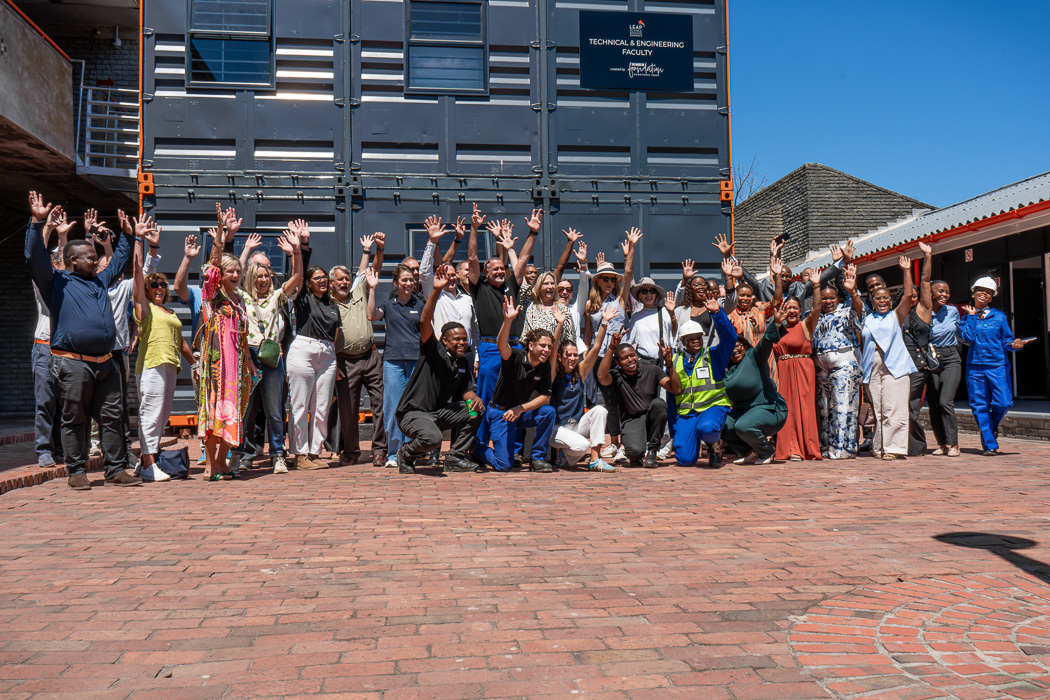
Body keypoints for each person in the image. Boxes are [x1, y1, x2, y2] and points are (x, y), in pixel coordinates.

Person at [25, 192, 143, 489]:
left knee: (112, 417)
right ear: (73, 261)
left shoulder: (101, 281)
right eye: (90, 258)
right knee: (74, 417)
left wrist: (127, 235)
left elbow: (119, 261)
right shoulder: (57, 283)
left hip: (107, 363)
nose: (95, 261)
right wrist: (37, 222)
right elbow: (33, 256)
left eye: (95, 257)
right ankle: (76, 470)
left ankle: (115, 469)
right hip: (73, 363)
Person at [395, 265, 484, 474]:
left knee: (476, 409)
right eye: (456, 340)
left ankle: (456, 456)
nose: (462, 343)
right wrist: (436, 290)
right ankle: (406, 453)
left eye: (465, 339)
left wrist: (473, 399)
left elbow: (467, 391)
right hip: (413, 415)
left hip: (438, 414)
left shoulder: (462, 362)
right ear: (444, 341)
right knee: (433, 438)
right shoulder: (433, 351)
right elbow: (425, 320)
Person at [228, 228, 303, 474]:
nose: (263, 280)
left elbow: (298, 277)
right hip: (248, 356)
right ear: (251, 277)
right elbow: (232, 274)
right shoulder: (241, 298)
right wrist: (246, 250)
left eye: (266, 276)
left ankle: (278, 455)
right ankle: (238, 455)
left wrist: (296, 251)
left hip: (272, 357)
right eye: (259, 276)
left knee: (274, 410)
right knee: (245, 410)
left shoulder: (277, 297)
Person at [131, 221, 196, 480]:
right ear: (146, 290)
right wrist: (142, 242)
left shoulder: (169, 312)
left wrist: (196, 362)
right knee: (150, 415)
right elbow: (137, 272)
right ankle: (149, 466)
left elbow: (180, 342)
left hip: (170, 365)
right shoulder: (143, 309)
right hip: (151, 365)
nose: (158, 288)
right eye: (153, 285)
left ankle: (144, 463)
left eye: (161, 284)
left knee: (161, 418)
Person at [196, 209, 255, 480]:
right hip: (217, 365)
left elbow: (242, 335)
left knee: (234, 413)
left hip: (238, 366)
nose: (234, 274)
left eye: (238, 271)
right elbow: (212, 267)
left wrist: (250, 363)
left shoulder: (239, 300)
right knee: (212, 412)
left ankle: (222, 462)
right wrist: (220, 231)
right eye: (229, 271)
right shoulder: (213, 297)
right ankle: (210, 465)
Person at [475, 296, 556, 473]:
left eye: (549, 347)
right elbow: (501, 345)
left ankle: (537, 458)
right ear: (531, 345)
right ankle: (477, 448)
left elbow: (545, 397)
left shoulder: (544, 366)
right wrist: (508, 320)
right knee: (504, 465)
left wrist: (520, 408)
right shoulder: (517, 356)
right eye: (542, 346)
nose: (546, 350)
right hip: (501, 412)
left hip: (518, 412)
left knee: (548, 412)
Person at [331, 234, 387, 467]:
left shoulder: (358, 292)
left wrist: (378, 249)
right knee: (348, 410)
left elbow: (371, 271)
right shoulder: (328, 304)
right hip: (345, 362)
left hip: (371, 356)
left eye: (346, 279)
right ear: (331, 283)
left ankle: (379, 450)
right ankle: (351, 451)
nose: (344, 283)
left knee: (380, 405)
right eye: (339, 280)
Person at [960, 276, 1032, 456]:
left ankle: (990, 426)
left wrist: (1015, 345)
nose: (983, 294)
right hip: (975, 366)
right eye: (980, 291)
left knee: (1004, 402)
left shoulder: (999, 317)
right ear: (974, 293)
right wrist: (971, 317)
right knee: (979, 405)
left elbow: (1006, 340)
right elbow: (967, 338)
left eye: (988, 292)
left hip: (997, 365)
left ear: (992, 298)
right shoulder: (966, 316)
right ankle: (990, 444)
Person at [585, 231, 641, 463]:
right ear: (597, 281)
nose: (610, 282)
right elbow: (588, 334)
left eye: (612, 279)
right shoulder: (590, 305)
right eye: (605, 278)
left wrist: (632, 248)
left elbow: (627, 274)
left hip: (620, 354)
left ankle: (629, 442)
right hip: (601, 356)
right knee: (607, 400)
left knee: (624, 397)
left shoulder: (620, 300)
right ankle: (614, 442)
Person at [32, 206, 77, 468]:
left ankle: (61, 448)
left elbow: (69, 262)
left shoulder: (69, 285)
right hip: (44, 346)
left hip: (65, 349)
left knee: (68, 402)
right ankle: (44, 450)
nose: (57, 266)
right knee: (45, 401)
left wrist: (63, 238)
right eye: (53, 263)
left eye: (59, 262)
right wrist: (45, 227)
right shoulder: (42, 283)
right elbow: (36, 255)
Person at [287, 246, 340, 470]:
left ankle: (315, 453)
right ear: (308, 283)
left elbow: (336, 333)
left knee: (321, 407)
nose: (322, 281)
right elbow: (298, 273)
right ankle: (300, 454)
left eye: (324, 278)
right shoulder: (302, 299)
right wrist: (302, 249)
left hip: (327, 354)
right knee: (299, 405)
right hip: (303, 349)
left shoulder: (332, 304)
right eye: (317, 278)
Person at [368, 261, 425, 467]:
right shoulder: (388, 304)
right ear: (396, 283)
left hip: (415, 361)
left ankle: (409, 452)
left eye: (411, 280)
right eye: (404, 280)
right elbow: (371, 315)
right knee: (393, 407)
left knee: (413, 408)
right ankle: (393, 454)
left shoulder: (419, 305)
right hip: (393, 362)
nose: (408, 283)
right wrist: (372, 289)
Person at [860, 256, 917, 460]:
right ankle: (880, 447)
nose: (882, 301)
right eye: (878, 298)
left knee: (893, 408)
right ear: (872, 301)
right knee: (878, 409)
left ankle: (893, 449)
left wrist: (906, 271)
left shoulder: (896, 316)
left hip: (894, 365)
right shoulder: (866, 318)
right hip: (872, 367)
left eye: (885, 298)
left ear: (890, 300)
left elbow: (908, 295)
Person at [668, 300, 736, 468]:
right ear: (683, 342)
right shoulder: (674, 361)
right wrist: (673, 427)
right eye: (691, 339)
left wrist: (717, 314)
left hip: (712, 407)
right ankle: (694, 440)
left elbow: (730, 338)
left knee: (707, 428)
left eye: (699, 338)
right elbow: (671, 397)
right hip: (686, 414)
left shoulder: (713, 356)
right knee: (685, 460)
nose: (696, 341)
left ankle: (714, 445)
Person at [549, 304, 617, 471]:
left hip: (577, 426)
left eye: (575, 355)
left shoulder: (579, 372)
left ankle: (594, 459)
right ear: (560, 357)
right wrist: (559, 324)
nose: (572, 358)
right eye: (568, 355)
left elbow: (595, 348)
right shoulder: (552, 373)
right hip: (557, 428)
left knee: (600, 410)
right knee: (580, 446)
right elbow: (553, 349)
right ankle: (564, 455)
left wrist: (604, 323)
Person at [597, 327, 675, 468]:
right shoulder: (616, 375)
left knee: (659, 404)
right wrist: (611, 347)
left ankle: (652, 451)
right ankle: (637, 454)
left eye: (632, 355)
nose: (630, 360)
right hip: (631, 420)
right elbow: (601, 377)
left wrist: (669, 364)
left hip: (651, 418)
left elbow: (676, 388)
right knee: (634, 453)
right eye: (624, 358)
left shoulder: (652, 370)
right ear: (618, 363)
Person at [812, 264, 865, 459]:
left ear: (838, 299)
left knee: (842, 407)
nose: (828, 302)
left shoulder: (846, 311)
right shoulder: (815, 315)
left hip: (843, 362)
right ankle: (827, 447)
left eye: (831, 298)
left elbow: (860, 312)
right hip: (821, 367)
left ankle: (843, 449)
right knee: (825, 410)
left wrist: (853, 292)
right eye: (824, 298)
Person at [722, 315, 787, 465]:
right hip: (743, 412)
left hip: (769, 409)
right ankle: (749, 451)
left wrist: (776, 323)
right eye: (730, 348)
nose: (734, 350)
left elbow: (765, 343)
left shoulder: (754, 357)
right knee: (720, 423)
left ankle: (767, 451)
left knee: (743, 425)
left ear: (744, 346)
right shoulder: (727, 370)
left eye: (737, 346)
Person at [772, 281, 822, 461]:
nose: (791, 311)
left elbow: (817, 308)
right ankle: (789, 448)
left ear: (801, 310)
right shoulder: (777, 329)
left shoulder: (806, 326)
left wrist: (816, 286)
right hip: (783, 372)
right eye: (788, 308)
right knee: (787, 409)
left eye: (795, 308)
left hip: (802, 370)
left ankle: (805, 448)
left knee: (805, 409)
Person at [902, 243, 935, 456]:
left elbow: (924, 281)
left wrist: (927, 256)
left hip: (917, 365)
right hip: (900, 365)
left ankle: (916, 445)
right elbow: (906, 293)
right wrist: (905, 271)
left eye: (915, 296)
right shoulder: (900, 314)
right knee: (902, 407)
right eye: (909, 296)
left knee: (910, 407)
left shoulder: (924, 310)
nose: (913, 298)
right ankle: (907, 444)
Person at [927, 275, 962, 456]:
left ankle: (953, 444)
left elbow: (961, 332)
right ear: (930, 292)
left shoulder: (952, 311)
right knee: (933, 404)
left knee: (945, 401)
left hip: (950, 357)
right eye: (940, 291)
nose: (945, 294)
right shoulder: (923, 313)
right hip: (932, 358)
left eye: (947, 292)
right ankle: (941, 444)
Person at [625, 278, 676, 363]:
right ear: (639, 295)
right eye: (644, 291)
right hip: (643, 363)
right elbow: (628, 341)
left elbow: (674, 333)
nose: (649, 295)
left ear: (656, 295)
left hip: (663, 363)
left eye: (652, 291)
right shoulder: (636, 317)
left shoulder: (665, 312)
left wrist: (672, 313)